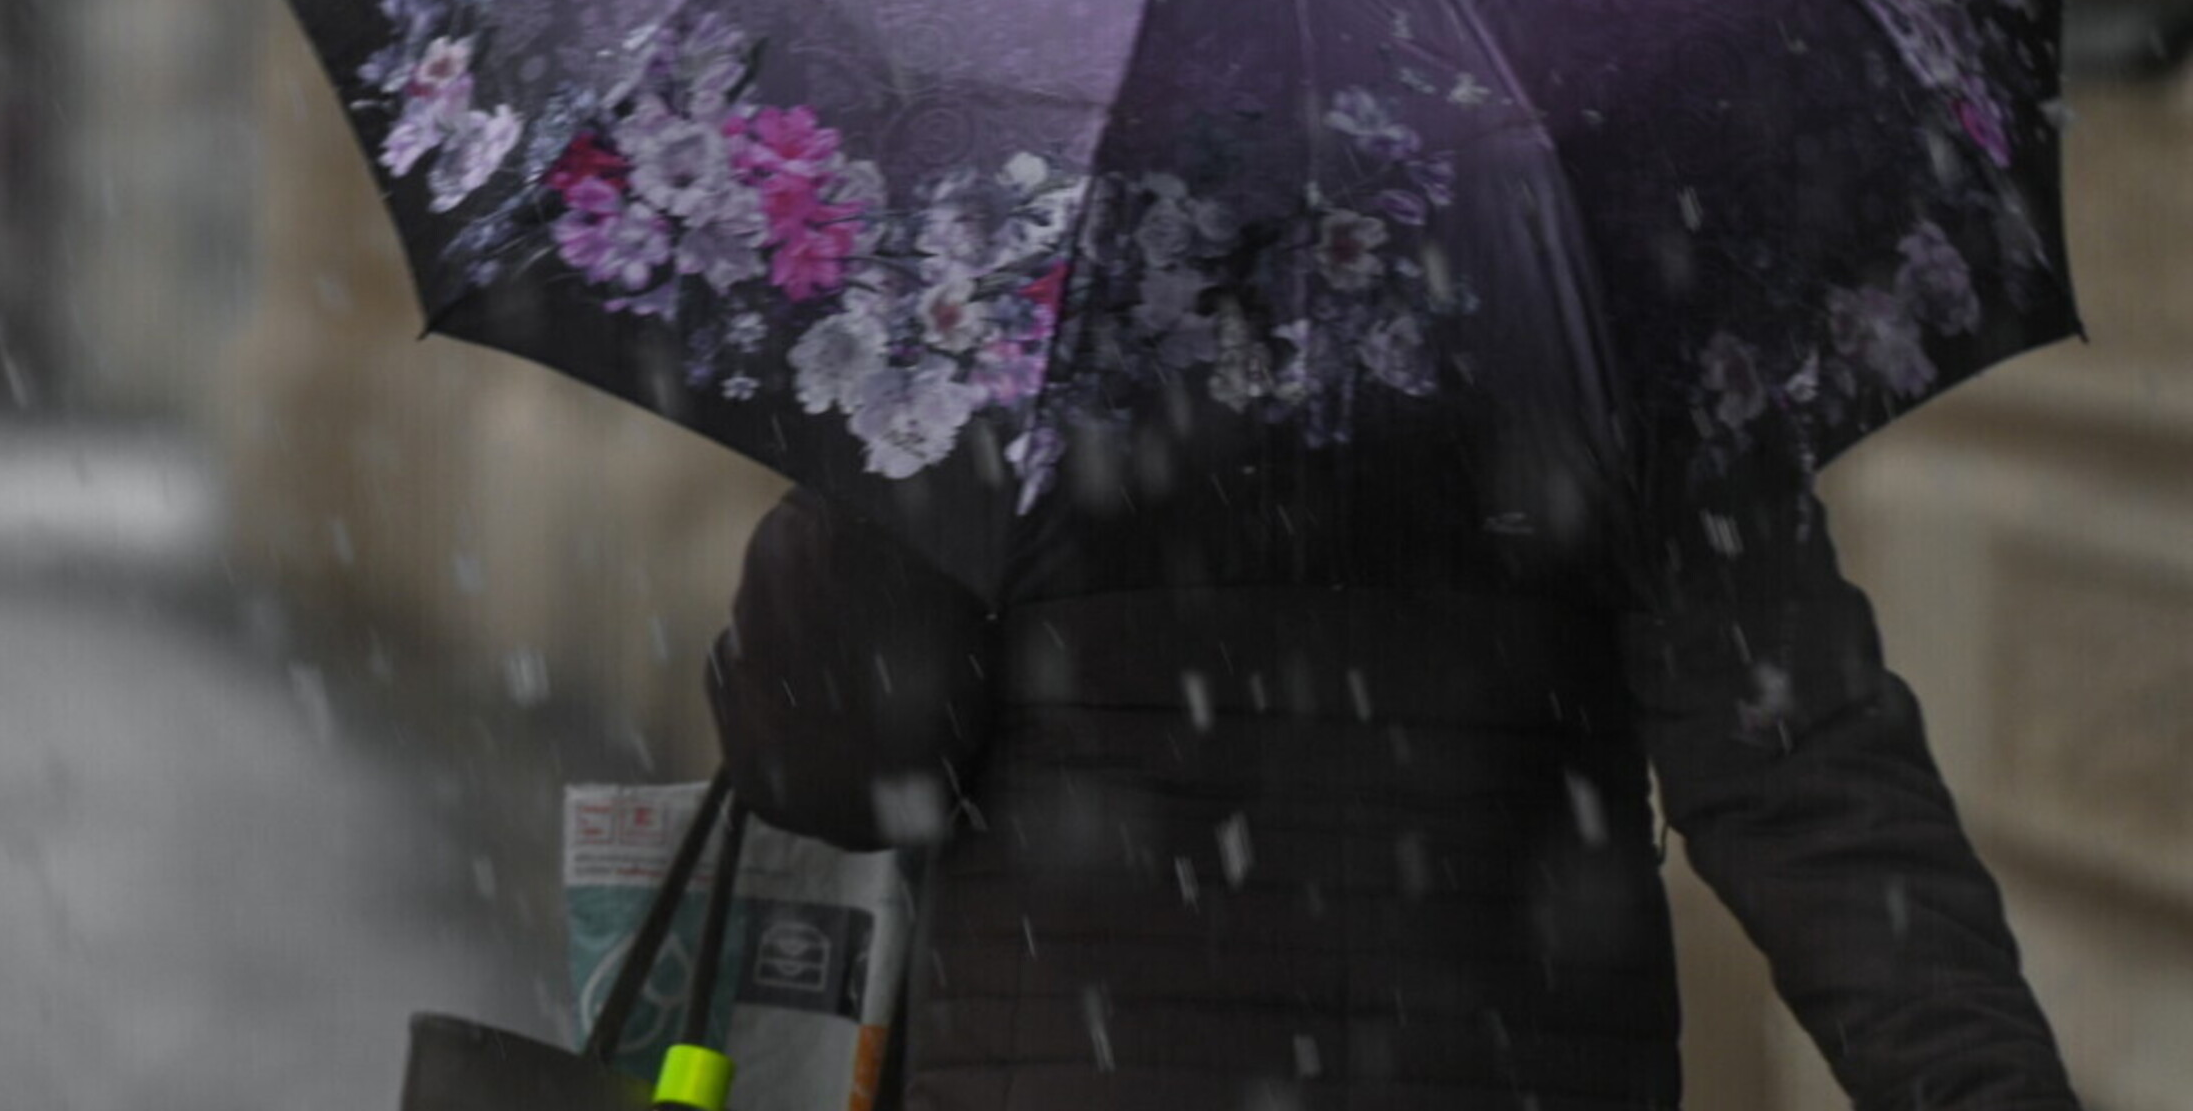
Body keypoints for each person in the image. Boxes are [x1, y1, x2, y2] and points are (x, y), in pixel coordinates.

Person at [706, 412, 2080, 1110]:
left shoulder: (999, 261)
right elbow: (1807, 772)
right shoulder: (1612, 260)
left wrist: (859, 452)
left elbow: (833, 762)